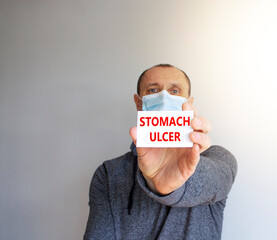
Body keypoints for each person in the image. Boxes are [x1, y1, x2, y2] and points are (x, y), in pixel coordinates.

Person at [83, 64, 237, 240]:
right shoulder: (108, 174)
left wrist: (167, 186)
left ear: (190, 103)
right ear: (138, 102)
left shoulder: (219, 158)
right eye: (153, 89)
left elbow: (216, 181)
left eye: (175, 91)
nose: (164, 97)